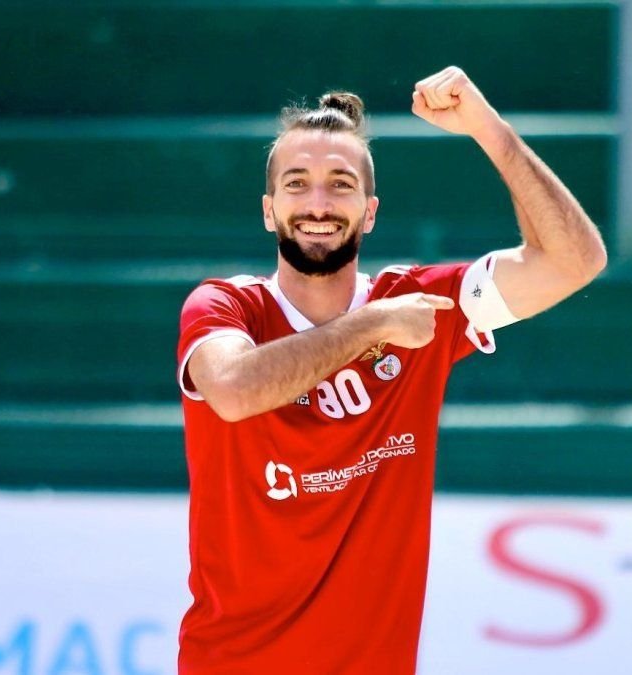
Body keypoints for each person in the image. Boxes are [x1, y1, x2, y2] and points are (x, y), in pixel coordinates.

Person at [175, 66, 606, 674]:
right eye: (297, 184)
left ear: (370, 211)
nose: (318, 203)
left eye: (340, 184)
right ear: (270, 211)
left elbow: (574, 260)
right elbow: (236, 390)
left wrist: (489, 130)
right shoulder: (228, 306)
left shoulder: (419, 303)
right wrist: (373, 325)